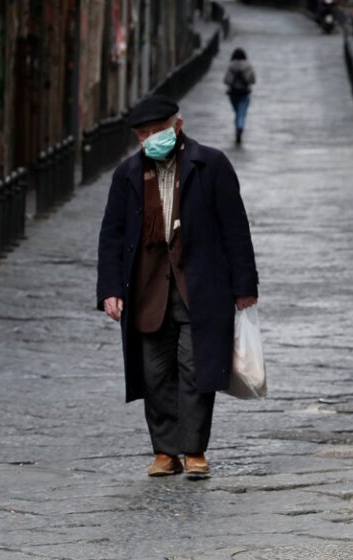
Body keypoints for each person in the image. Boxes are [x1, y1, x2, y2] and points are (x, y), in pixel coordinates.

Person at [97, 94, 259, 477]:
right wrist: (109, 289)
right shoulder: (128, 175)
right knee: (154, 373)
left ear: (178, 126)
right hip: (146, 289)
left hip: (201, 287)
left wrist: (244, 286)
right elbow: (112, 234)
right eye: (144, 133)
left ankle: (194, 450)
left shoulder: (211, 165)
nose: (151, 138)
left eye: (158, 130)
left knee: (196, 368)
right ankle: (164, 451)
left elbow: (235, 228)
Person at [223, 48, 256, 145]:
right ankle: (239, 128)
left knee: (237, 112)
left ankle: (238, 127)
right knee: (241, 114)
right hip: (244, 93)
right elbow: (253, 80)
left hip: (233, 94)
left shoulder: (231, 65)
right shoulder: (248, 66)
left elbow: (226, 80)